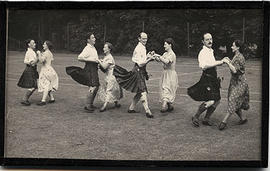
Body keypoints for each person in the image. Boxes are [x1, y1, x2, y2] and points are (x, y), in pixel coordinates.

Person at [113, 32, 155, 118]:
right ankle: (148, 111)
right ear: (139, 39)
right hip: (138, 70)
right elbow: (140, 64)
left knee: (140, 92)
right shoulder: (139, 48)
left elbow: (142, 59)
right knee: (142, 91)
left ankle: (131, 108)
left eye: (146, 38)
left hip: (140, 71)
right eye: (143, 38)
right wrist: (149, 59)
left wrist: (148, 55)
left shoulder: (142, 47)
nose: (145, 40)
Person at [187, 33, 224, 127]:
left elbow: (212, 64)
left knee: (217, 100)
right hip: (207, 79)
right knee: (211, 100)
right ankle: (196, 116)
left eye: (211, 39)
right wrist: (219, 63)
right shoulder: (202, 52)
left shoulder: (210, 51)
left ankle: (206, 119)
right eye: (207, 39)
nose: (210, 41)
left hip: (213, 78)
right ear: (203, 42)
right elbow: (203, 66)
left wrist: (217, 76)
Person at [218, 40, 250, 130]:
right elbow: (233, 65)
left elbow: (235, 70)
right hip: (235, 82)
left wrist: (228, 62)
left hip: (240, 83)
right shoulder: (236, 56)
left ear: (238, 47)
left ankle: (224, 122)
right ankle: (242, 119)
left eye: (233, 46)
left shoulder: (240, 57)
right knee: (234, 101)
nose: (231, 47)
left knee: (233, 100)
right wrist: (229, 60)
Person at [66, 33, 99, 113]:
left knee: (96, 86)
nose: (94, 39)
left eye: (94, 37)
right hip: (90, 69)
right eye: (93, 37)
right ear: (88, 40)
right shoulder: (87, 48)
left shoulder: (92, 48)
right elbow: (80, 57)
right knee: (93, 86)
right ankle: (87, 106)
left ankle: (90, 104)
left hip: (93, 69)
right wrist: (92, 60)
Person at [154, 38, 178, 113]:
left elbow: (166, 61)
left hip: (171, 74)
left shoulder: (172, 54)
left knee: (167, 88)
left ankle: (164, 106)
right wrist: (154, 56)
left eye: (165, 44)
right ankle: (169, 106)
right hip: (165, 74)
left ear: (170, 45)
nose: (164, 46)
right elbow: (160, 60)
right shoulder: (165, 54)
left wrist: (158, 56)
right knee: (164, 88)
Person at [97, 42, 123, 112]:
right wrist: (101, 62)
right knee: (113, 90)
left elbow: (104, 67)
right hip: (108, 76)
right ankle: (116, 103)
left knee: (109, 90)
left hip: (112, 76)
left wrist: (99, 61)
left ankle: (104, 106)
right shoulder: (106, 57)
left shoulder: (110, 57)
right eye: (104, 47)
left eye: (105, 47)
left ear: (109, 49)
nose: (103, 48)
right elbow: (104, 68)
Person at [36, 41, 59, 105]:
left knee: (46, 85)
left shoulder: (46, 53)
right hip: (50, 69)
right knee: (48, 84)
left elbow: (41, 61)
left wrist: (39, 53)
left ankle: (43, 100)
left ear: (47, 46)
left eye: (44, 44)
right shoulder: (50, 53)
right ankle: (52, 98)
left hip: (45, 70)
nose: (43, 45)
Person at [17, 39, 39, 106]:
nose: (35, 44)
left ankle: (25, 99)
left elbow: (25, 60)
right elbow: (32, 63)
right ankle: (24, 99)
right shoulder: (30, 52)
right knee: (33, 86)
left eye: (34, 42)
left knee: (34, 86)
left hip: (31, 70)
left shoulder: (30, 51)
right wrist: (38, 57)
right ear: (29, 44)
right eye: (33, 43)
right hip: (30, 70)